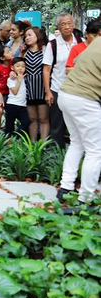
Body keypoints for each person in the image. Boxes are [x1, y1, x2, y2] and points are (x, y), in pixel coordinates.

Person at [56, 37, 101, 206]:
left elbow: (76, 61)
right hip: (85, 99)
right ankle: (86, 199)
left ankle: (65, 188)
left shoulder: (98, 41)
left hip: (66, 93)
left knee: (77, 143)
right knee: (95, 151)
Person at [43, 13, 79, 148]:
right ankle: (56, 153)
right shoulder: (53, 45)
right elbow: (46, 69)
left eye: (69, 23)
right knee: (57, 124)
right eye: (63, 24)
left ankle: (79, 151)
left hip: (78, 90)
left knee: (77, 123)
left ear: (73, 25)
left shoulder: (81, 42)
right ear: (58, 26)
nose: (67, 27)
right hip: (58, 89)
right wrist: (48, 92)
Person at [23, 27, 49, 141]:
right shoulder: (24, 51)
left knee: (43, 119)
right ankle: (32, 144)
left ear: (37, 36)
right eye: (25, 36)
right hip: (28, 89)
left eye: (29, 35)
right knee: (32, 119)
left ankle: (43, 144)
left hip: (42, 89)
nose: (27, 38)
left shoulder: (46, 50)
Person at [4, 57, 31, 136]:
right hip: (12, 104)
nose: (20, 68)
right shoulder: (11, 79)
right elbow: (15, 91)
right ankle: (8, 140)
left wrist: (21, 78)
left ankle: (15, 136)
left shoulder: (25, 77)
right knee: (9, 125)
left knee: (26, 122)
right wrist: (19, 80)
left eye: (23, 66)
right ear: (12, 67)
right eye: (18, 66)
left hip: (22, 105)